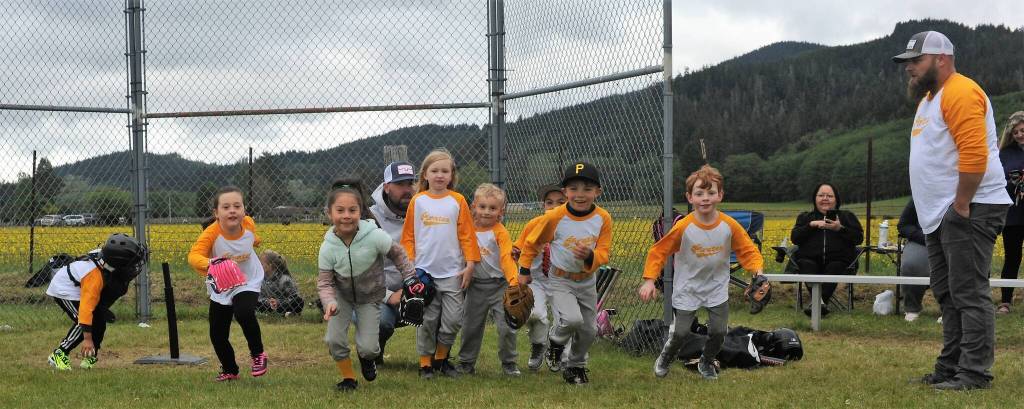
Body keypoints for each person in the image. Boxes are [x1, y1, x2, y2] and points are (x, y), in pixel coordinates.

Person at [894, 30, 1011, 390]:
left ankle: (974, 374)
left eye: (916, 60)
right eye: (908, 63)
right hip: (942, 214)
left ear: (941, 58)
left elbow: (975, 156)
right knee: (947, 292)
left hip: (969, 208)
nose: (910, 68)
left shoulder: (961, 91)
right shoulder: (930, 99)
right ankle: (950, 368)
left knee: (969, 292)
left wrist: (960, 205)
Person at [638, 165, 763, 381]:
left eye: (711, 192)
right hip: (688, 288)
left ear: (720, 195)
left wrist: (758, 273)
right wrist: (649, 281)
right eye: (699, 193)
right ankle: (666, 356)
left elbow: (747, 250)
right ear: (689, 197)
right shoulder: (683, 226)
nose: (705, 198)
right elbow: (659, 251)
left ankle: (706, 361)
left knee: (718, 332)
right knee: (680, 333)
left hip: (716, 287)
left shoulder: (729, 225)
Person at [517, 161, 613, 385]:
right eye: (574, 189)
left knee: (589, 329)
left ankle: (575, 367)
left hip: (587, 280)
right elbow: (532, 244)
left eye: (587, 189)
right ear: (565, 192)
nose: (580, 195)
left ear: (598, 192)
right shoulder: (555, 217)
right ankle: (556, 342)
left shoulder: (603, 218)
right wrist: (523, 271)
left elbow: (604, 252)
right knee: (571, 319)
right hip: (560, 279)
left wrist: (590, 256)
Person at [318, 179, 416, 391]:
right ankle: (348, 379)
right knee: (334, 341)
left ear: (360, 211)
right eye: (340, 210)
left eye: (352, 210)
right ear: (329, 213)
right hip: (341, 298)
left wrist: (410, 278)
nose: (346, 215)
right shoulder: (327, 247)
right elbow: (325, 283)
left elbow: (398, 254)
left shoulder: (374, 236)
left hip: (371, 298)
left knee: (369, 348)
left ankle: (367, 358)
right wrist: (329, 302)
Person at [400, 149, 481, 379]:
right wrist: (411, 267)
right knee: (428, 320)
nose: (439, 175)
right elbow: (408, 237)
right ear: (424, 174)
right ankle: (425, 362)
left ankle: (441, 359)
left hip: (453, 273)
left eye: (445, 171)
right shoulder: (418, 201)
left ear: (451, 175)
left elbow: (467, 234)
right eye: (434, 170)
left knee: (453, 320)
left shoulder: (458, 201)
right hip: (425, 273)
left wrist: (471, 264)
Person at [188, 186, 269, 382]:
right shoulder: (211, 233)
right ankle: (230, 369)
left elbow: (254, 238)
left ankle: (258, 354)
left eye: (237, 206)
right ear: (216, 213)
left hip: (248, 280)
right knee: (217, 333)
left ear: (244, 210)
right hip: (223, 284)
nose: (232, 210)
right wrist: (210, 263)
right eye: (226, 207)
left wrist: (256, 241)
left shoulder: (248, 224)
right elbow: (193, 255)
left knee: (244, 312)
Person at [45, 233, 147, 370]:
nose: (134, 267)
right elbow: (86, 311)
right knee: (85, 322)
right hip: (65, 290)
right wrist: (88, 339)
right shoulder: (94, 277)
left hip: (81, 286)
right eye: (131, 263)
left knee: (99, 320)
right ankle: (59, 353)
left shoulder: (106, 262)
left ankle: (91, 356)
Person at [455, 183, 522, 376]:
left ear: (501, 211)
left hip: (499, 286)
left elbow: (506, 258)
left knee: (507, 326)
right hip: (475, 286)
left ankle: (509, 363)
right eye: (482, 206)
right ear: (474, 206)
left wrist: (513, 282)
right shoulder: (467, 230)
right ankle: (466, 363)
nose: (486, 212)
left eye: (492, 208)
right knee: (470, 326)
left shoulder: (500, 232)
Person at [789, 183, 864, 317]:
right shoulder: (805, 217)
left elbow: (858, 239)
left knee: (835, 265)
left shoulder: (847, 216)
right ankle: (821, 304)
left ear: (836, 199)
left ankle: (817, 304)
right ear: (815, 199)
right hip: (810, 260)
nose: (825, 198)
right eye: (821, 195)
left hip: (839, 261)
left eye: (829, 196)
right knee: (806, 263)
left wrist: (840, 229)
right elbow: (795, 238)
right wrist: (811, 226)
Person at [513, 184, 566, 371]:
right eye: (549, 203)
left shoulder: (573, 227)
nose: (554, 207)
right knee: (536, 314)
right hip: (536, 279)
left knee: (565, 319)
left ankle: (560, 353)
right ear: (542, 205)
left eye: (561, 202)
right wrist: (515, 255)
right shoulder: (534, 224)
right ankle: (538, 345)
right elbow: (519, 248)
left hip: (562, 280)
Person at [368, 160, 417, 363]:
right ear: (386, 187)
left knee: (445, 301)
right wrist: (389, 296)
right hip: (375, 294)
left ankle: (436, 358)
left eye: (410, 183)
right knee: (382, 323)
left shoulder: (423, 213)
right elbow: (360, 272)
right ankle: (373, 351)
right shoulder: (369, 218)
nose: (407, 190)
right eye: (399, 184)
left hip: (414, 287)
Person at [996, 111, 1024, 314]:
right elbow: (997, 180)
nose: (1020, 134)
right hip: (1013, 215)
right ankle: (1005, 301)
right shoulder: (1003, 154)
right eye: (1016, 132)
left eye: (1022, 130)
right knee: (1012, 257)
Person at [897, 199, 929, 322]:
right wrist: (921, 236)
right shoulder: (919, 195)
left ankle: (950, 309)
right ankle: (912, 308)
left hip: (953, 240)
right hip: (921, 239)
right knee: (911, 264)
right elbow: (903, 225)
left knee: (956, 264)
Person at [256, 250, 304, 317]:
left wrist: (278, 302)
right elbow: (260, 297)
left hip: (283, 305)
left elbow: (293, 297)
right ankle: (284, 314)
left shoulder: (284, 279)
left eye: (261, 264)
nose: (259, 266)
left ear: (270, 265)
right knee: (252, 299)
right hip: (269, 306)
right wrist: (268, 301)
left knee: (298, 301)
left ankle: (287, 313)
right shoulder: (261, 279)